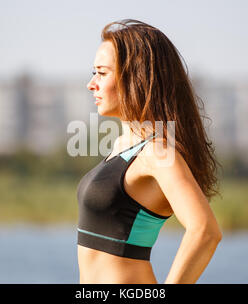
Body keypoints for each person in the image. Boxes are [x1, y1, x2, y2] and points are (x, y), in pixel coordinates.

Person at [77, 19, 222, 284]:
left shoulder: (156, 153)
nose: (91, 83)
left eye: (102, 73)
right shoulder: (123, 145)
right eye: (93, 72)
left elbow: (205, 231)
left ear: (134, 77)